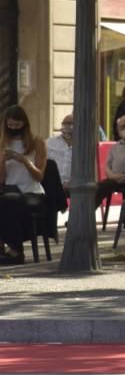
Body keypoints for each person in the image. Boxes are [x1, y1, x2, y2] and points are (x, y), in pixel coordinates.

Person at [0, 105, 47, 265]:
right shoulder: (2, 143)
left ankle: (16, 250)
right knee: (8, 199)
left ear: (24, 124)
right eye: (10, 126)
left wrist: (24, 161)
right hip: (9, 191)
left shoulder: (36, 142)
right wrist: (1, 161)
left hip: (32, 192)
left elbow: (39, 176)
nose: (13, 129)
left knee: (10, 201)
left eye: (17, 126)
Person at [46, 113, 74, 187]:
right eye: (64, 124)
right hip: (53, 184)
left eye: (70, 124)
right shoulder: (50, 143)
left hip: (73, 186)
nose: (67, 126)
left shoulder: (82, 145)